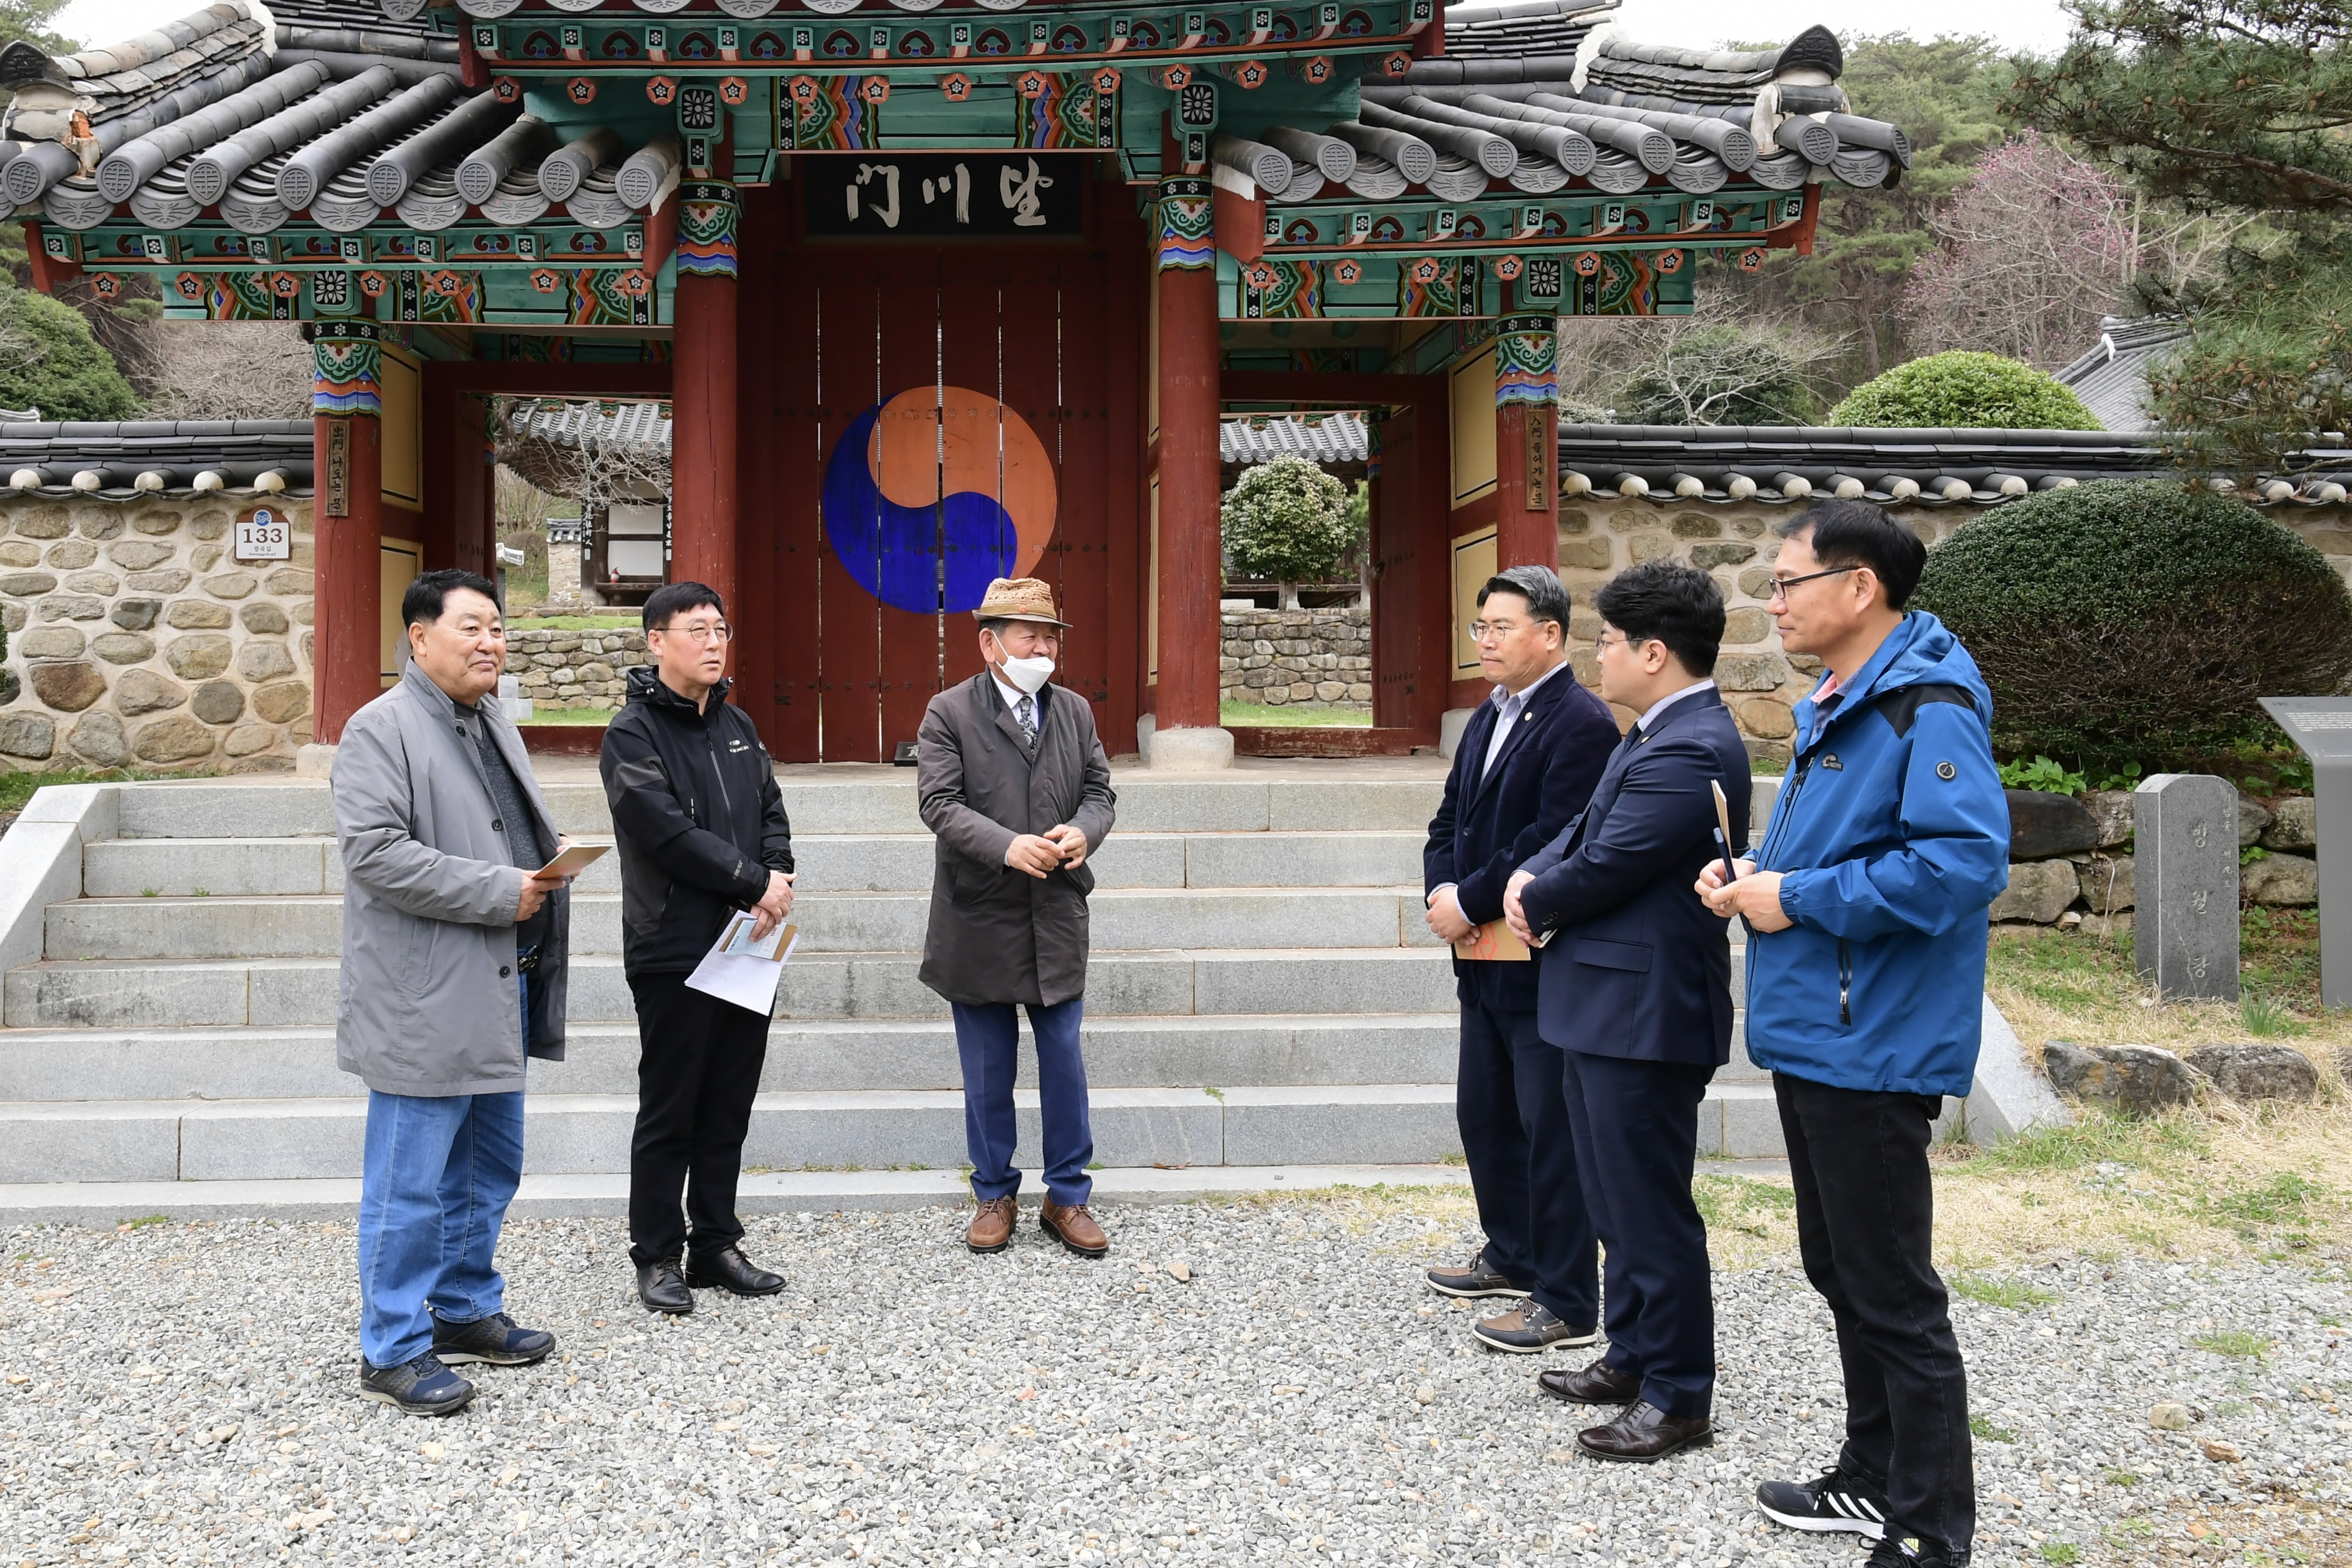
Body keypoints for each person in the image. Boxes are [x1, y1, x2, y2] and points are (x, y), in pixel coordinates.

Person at [1698, 499, 2007, 1568]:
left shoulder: (1923, 703)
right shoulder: (1843, 700)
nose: (1770, 602)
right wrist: (1750, 883)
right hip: (1821, 1029)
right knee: (1840, 1267)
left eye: (1785, 583)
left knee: (1892, 1290)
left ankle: (1930, 1530)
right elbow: (1835, 856)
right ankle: (1870, 1478)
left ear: (1856, 587)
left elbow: (1961, 865)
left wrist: (1802, 897)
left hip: (1870, 1035)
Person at [1501, 559, 1751, 1463]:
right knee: (1612, 1197)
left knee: (1649, 1207)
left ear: (1654, 652)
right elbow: (1582, 832)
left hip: (1642, 1013)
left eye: (1607, 641)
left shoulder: (1693, 743)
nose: (1597, 655)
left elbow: (1612, 860)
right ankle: (1635, 1351)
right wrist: (1534, 875)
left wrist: (1538, 896)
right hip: (1602, 1004)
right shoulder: (1652, 732)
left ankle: (1680, 1391)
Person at [335, 569, 574, 1417]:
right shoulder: (381, 728)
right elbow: (374, 852)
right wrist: (497, 889)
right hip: (421, 994)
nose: (490, 644)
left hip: (498, 981)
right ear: (419, 636)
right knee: (408, 1181)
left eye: (499, 630)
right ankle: (391, 1346)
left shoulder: (489, 718)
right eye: (472, 628)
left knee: (486, 1166)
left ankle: (465, 1308)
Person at [1419, 565, 1620, 1354]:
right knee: (1487, 1113)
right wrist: (1442, 890)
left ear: (1549, 633)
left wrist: (1467, 899)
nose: (1486, 641)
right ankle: (1511, 1249)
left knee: (1549, 1127)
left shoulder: (1578, 721)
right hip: (1479, 953)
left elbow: (1550, 838)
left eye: (1501, 626)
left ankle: (1566, 1292)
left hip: (1536, 956)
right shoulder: (1487, 715)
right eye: (1480, 627)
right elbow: (1446, 819)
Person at [601, 581, 797, 1315]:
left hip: (748, 940)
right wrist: (753, 880)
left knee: (728, 1101)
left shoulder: (738, 724)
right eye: (696, 630)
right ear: (656, 641)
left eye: (721, 628)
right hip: (674, 943)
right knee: (671, 1105)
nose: (714, 642)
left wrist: (774, 873)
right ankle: (656, 1252)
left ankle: (715, 1241)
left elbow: (770, 807)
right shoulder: (633, 733)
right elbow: (663, 831)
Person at [916, 576, 1117, 1257]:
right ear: (989, 643)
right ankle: (994, 1191)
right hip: (979, 914)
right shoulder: (948, 711)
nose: (1043, 645)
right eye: (1028, 634)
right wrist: (1005, 844)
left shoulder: (1074, 712)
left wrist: (1086, 829)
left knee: (1063, 1059)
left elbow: (1098, 790)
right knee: (986, 1066)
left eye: (1051, 634)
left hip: (1055, 911)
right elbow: (938, 803)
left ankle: (1068, 1195)